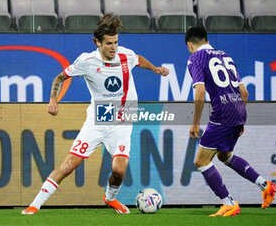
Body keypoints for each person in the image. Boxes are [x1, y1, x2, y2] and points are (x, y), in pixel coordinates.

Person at [21, 13, 169, 215]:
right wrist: (53, 100)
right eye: (109, 43)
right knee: (70, 164)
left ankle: (109, 198)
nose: (114, 47)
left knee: (119, 170)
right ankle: (35, 204)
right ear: (98, 42)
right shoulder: (86, 61)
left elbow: (139, 60)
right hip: (98, 121)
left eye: (116, 42)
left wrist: (155, 69)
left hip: (123, 121)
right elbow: (59, 78)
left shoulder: (125, 55)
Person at [185, 26, 276, 217]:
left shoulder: (195, 58)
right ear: (206, 39)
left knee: (201, 161)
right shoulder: (225, 56)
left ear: (189, 44)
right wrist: (240, 118)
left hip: (222, 113)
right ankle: (265, 185)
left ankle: (228, 203)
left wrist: (195, 123)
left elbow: (200, 91)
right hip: (237, 111)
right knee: (224, 156)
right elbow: (244, 92)